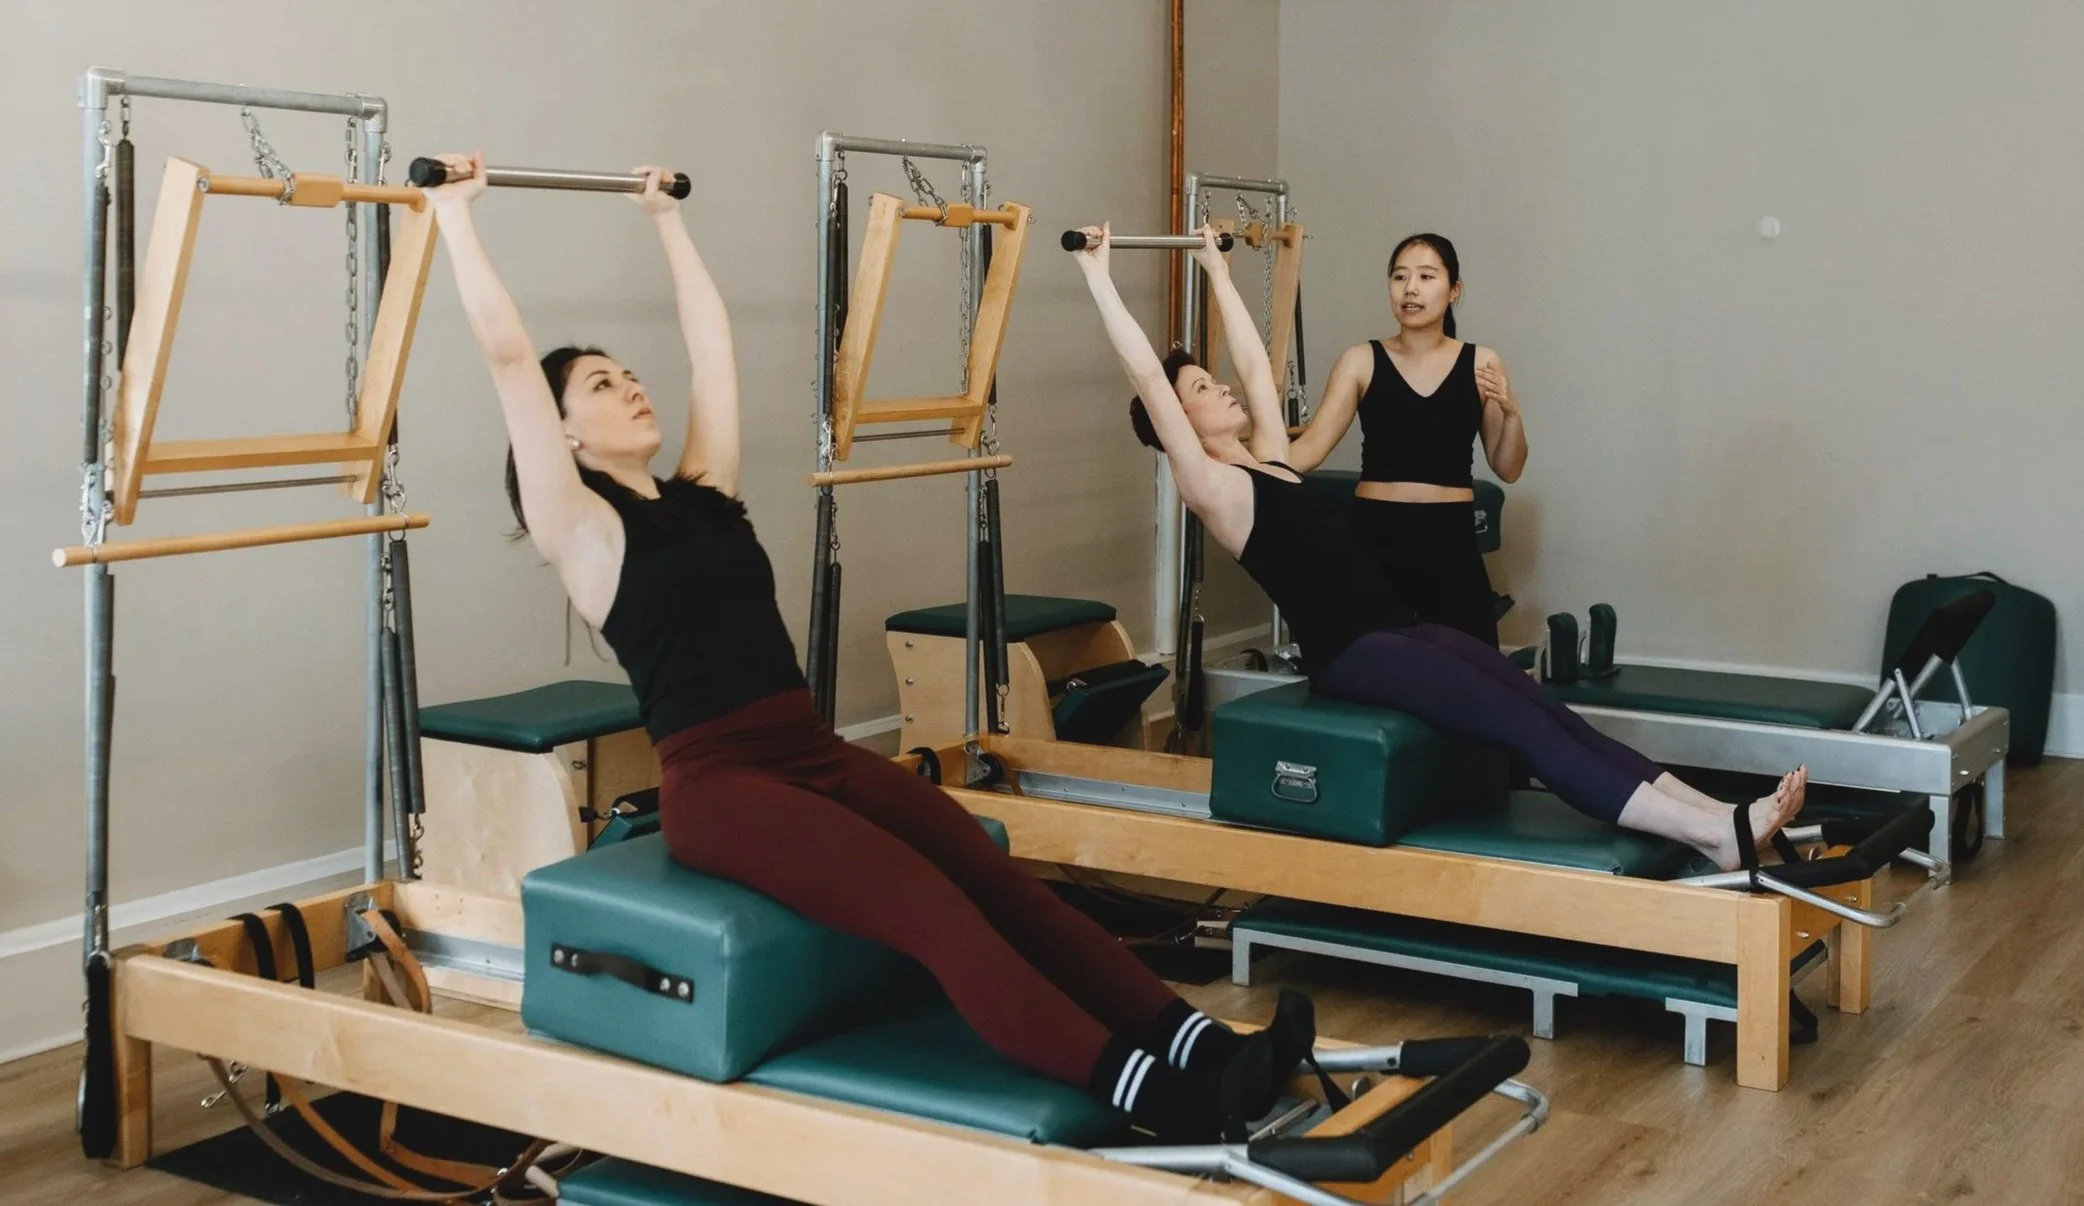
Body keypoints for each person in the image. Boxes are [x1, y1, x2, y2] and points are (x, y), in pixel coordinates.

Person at [419, 153, 1310, 1143]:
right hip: (721, 787)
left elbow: (712, 352)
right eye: (600, 383)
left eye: (628, 374)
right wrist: (455, 214)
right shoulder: (582, 532)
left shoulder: (702, 494)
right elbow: (507, 360)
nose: (631, 387)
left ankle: (1202, 1047)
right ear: (562, 432)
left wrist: (663, 219)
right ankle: (1160, 1096)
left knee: (992, 874)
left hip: (810, 751)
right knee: (934, 914)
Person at [1074, 223, 1806, 869]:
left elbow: (1259, 367)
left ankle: (1719, 816)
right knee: (1517, 725)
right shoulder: (1211, 488)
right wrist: (1098, 277)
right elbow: (1147, 375)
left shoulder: (1267, 457)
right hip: (1354, 652)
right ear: (1179, 418)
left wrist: (1218, 271)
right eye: (1204, 387)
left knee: (1538, 702)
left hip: (1398, 627)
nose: (1227, 387)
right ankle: (1710, 837)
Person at [1286, 234, 1524, 647]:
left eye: (1426, 276)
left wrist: (1512, 413)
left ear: (1454, 291)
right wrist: (1240, 465)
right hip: (1374, 538)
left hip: (1451, 543)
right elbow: (1310, 449)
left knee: (1463, 676)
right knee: (1374, 668)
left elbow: (1508, 467)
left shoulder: (1481, 361)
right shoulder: (1360, 359)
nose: (1410, 288)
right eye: (1399, 277)